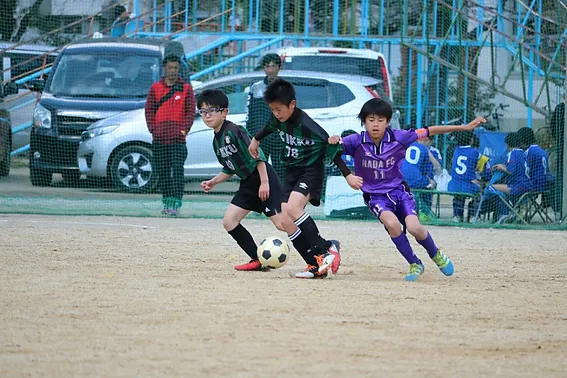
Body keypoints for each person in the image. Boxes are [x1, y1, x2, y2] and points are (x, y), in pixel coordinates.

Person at [328, 98, 486, 281]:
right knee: (393, 224)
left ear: (387, 122)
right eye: (371, 120)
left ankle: (435, 254)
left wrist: (464, 128)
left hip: (399, 192)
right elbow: (332, 150)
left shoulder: (399, 137)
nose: (375, 125)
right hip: (375, 196)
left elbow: (430, 130)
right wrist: (346, 169)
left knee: (414, 227)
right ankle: (414, 263)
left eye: (380, 120)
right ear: (364, 121)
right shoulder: (355, 141)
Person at [248, 79, 356, 279]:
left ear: (292, 104)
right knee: (284, 222)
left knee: (293, 209)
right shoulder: (277, 119)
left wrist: (348, 175)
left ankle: (325, 249)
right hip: (291, 172)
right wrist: (255, 140)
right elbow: (267, 128)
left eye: (279, 109)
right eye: (272, 110)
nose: (276, 114)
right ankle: (314, 265)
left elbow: (332, 150)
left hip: (310, 172)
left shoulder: (308, 126)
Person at [197, 89, 286, 271]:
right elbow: (230, 168)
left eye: (211, 111)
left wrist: (265, 182)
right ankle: (258, 259)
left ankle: (323, 246)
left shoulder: (234, 131)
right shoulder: (217, 141)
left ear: (224, 112)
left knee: (281, 223)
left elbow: (257, 155)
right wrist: (213, 182)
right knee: (229, 222)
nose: (207, 116)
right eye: (203, 112)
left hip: (261, 176)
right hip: (247, 182)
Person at [145, 55, 195, 216]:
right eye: (170, 67)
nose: (173, 71)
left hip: (177, 141)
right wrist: (153, 129)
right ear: (164, 68)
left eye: (175, 68)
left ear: (179, 69)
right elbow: (149, 111)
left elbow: (190, 111)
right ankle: (166, 203)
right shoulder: (155, 88)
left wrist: (184, 130)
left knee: (178, 172)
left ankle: (176, 204)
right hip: (159, 140)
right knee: (163, 173)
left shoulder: (186, 88)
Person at [245, 53, 285, 180]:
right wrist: (251, 135)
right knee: (259, 167)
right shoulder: (255, 88)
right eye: (268, 66)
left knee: (280, 168)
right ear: (264, 68)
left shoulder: (285, 88)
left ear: (279, 68)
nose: (271, 70)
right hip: (261, 135)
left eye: (274, 66)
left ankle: (281, 196)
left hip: (279, 136)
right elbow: (250, 113)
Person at [447, 131, 489, 222]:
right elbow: (479, 163)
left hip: (453, 185)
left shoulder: (456, 150)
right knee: (479, 192)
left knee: (458, 195)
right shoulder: (474, 151)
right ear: (471, 140)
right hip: (467, 185)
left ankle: (457, 216)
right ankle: (474, 216)